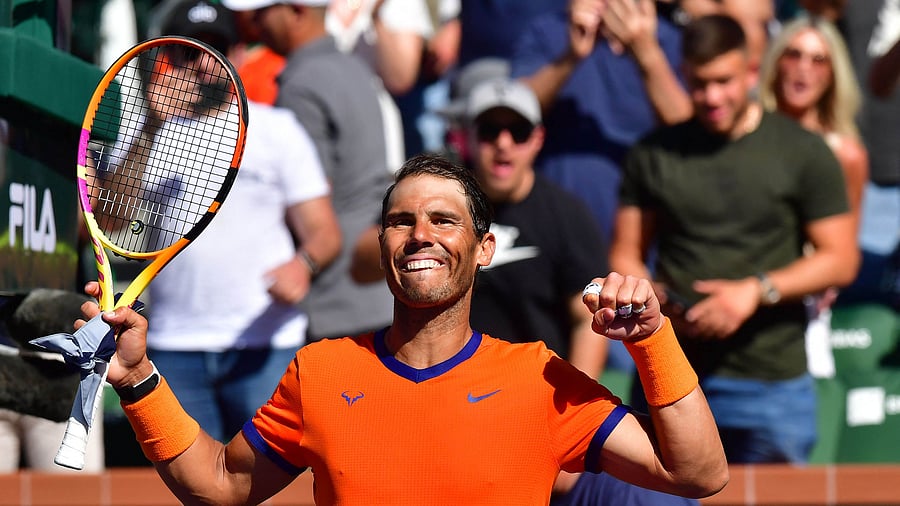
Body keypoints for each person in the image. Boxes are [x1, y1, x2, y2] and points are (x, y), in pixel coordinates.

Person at [84, 154, 728, 504]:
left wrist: (653, 341)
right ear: (384, 244)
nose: (420, 234)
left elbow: (699, 474)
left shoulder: (539, 378)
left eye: (443, 220)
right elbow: (221, 484)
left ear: (484, 249)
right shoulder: (321, 372)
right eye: (401, 221)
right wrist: (137, 379)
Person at [609, 14, 860, 464]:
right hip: (671, 371)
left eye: (724, 81)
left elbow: (840, 259)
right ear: (683, 74)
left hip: (770, 382)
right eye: (699, 83)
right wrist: (656, 298)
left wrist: (754, 291)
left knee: (776, 495)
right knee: (658, 494)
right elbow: (626, 251)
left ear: (751, 72)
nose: (712, 97)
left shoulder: (802, 150)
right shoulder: (654, 152)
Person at [140, 0, 343, 442]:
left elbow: (324, 232)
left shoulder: (276, 128)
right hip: (174, 345)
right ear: (168, 58)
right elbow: (105, 220)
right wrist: (151, 126)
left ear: (238, 54)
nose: (202, 64)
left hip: (265, 343)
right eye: (188, 51)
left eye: (214, 49)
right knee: (181, 478)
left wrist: (303, 266)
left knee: (275, 476)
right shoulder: (147, 131)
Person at [222, 0, 395, 341]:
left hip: (336, 301)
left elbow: (313, 192)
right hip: (374, 289)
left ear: (297, 12)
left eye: (263, 11)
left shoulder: (302, 84)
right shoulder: (352, 66)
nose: (254, 21)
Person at [758, 15, 869, 377]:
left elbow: (845, 255)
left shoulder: (846, 155)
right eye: (794, 54)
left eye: (819, 59)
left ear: (834, 74)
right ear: (776, 62)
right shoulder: (743, 134)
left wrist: (821, 280)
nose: (804, 69)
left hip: (802, 308)